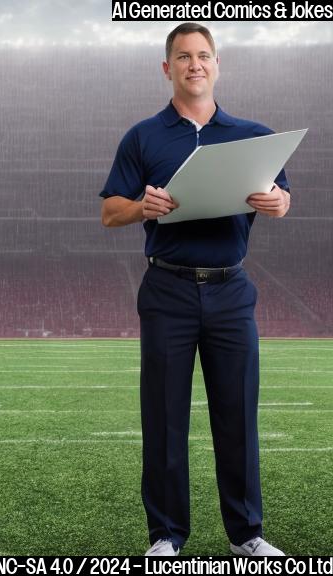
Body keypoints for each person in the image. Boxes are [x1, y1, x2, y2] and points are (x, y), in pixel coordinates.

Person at [100, 22, 290, 557]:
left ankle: (247, 534)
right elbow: (110, 211)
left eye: (203, 55)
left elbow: (281, 197)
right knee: (163, 417)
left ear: (217, 64)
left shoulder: (253, 134)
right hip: (168, 290)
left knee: (238, 415)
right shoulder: (143, 136)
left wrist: (278, 202)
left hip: (231, 290)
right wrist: (143, 207)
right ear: (168, 68)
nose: (195, 65)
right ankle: (165, 535)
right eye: (183, 57)